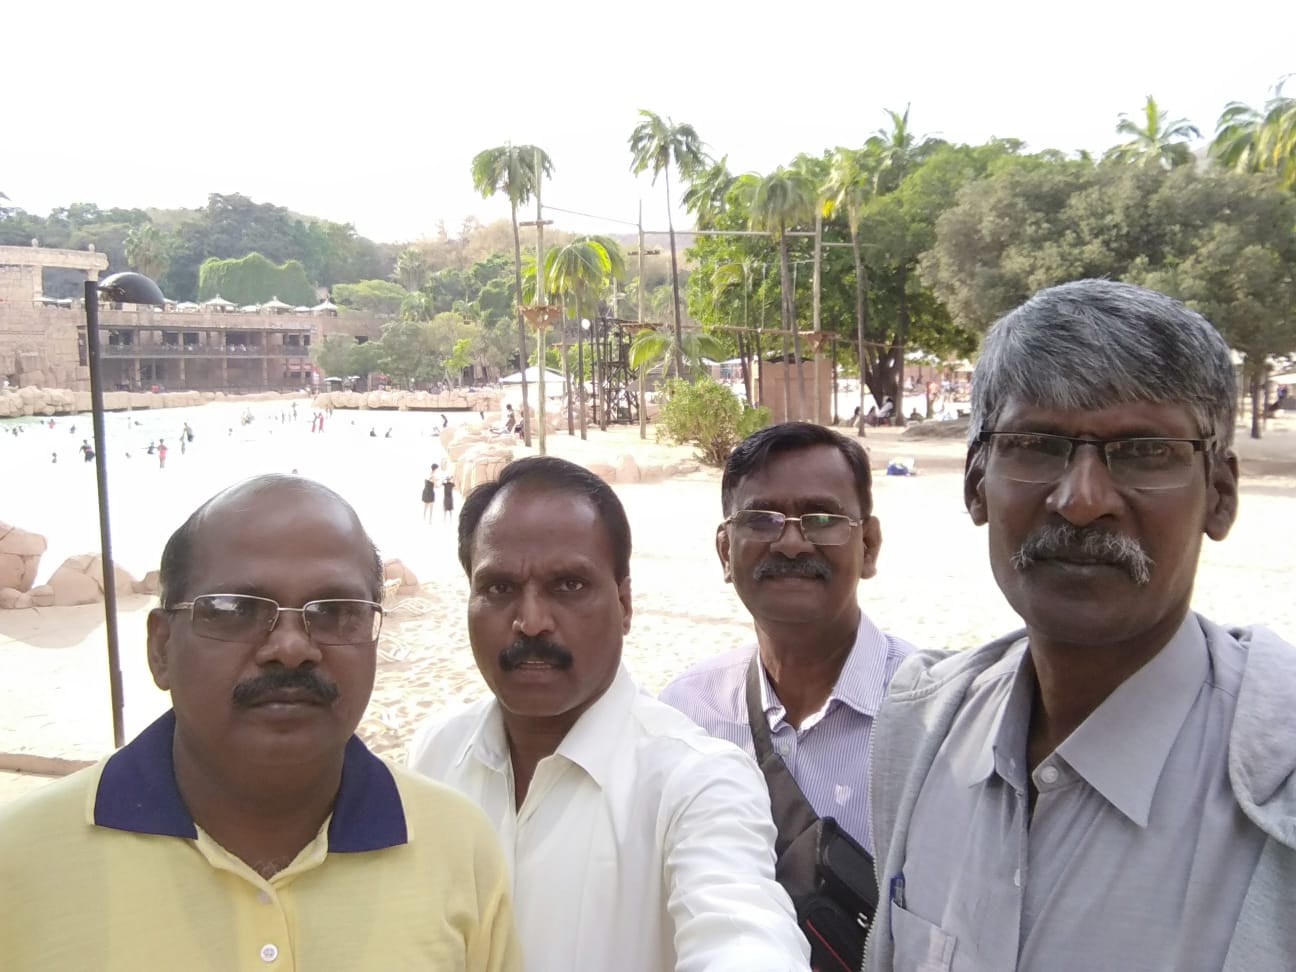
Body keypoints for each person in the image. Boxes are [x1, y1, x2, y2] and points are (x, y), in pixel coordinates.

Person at [866, 279, 1296, 972]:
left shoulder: (1279, 786)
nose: (1082, 500)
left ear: (1220, 496)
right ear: (976, 484)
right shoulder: (921, 730)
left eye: (1144, 451)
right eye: (1037, 444)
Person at [0, 474, 520, 971]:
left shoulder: (457, 848)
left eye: (335, 610)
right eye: (235, 609)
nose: (291, 647)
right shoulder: (20, 862)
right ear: (161, 648)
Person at [408, 456, 811, 972]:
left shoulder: (696, 783)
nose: (531, 622)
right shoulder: (437, 755)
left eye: (569, 586)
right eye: (499, 589)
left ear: (624, 604)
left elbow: (742, 932)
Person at [662, 422, 913, 851]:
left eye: (822, 519)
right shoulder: (686, 716)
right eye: (761, 520)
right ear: (725, 552)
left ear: (868, 545)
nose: (792, 543)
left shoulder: (937, 720)